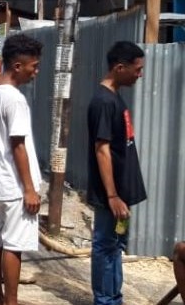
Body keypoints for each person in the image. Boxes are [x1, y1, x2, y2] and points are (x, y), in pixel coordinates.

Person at [0, 33, 43, 305]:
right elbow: (18, 145)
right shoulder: (15, 99)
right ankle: (11, 302)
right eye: (34, 66)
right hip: (13, 186)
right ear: (18, 66)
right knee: (14, 245)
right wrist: (29, 189)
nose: (36, 72)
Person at [88, 41, 146, 305]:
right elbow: (102, 149)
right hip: (110, 195)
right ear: (119, 68)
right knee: (105, 246)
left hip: (120, 192)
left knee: (114, 247)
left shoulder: (114, 98)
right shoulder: (102, 101)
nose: (139, 74)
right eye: (137, 69)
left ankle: (114, 298)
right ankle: (105, 300)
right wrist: (112, 195)